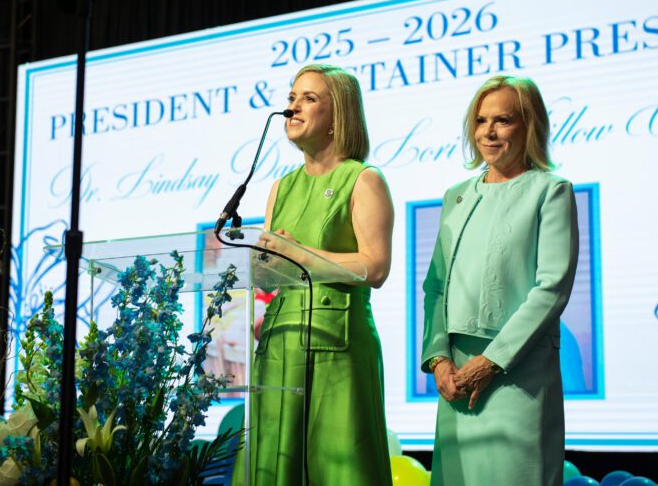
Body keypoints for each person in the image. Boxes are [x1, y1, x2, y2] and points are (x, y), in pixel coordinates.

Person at [233, 63, 394, 486]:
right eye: (291, 98)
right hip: (280, 343)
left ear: (338, 115)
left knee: (340, 467)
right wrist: (263, 264)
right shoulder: (280, 188)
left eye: (308, 98)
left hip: (337, 345)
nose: (293, 107)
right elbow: (268, 279)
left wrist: (296, 252)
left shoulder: (362, 178)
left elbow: (375, 267)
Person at [420, 75, 579, 486]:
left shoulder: (550, 191)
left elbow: (552, 288)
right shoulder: (456, 195)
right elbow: (436, 286)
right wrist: (438, 359)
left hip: (516, 374)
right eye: (480, 120)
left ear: (530, 126)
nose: (488, 132)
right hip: (455, 375)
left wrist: (491, 363)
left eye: (503, 120)